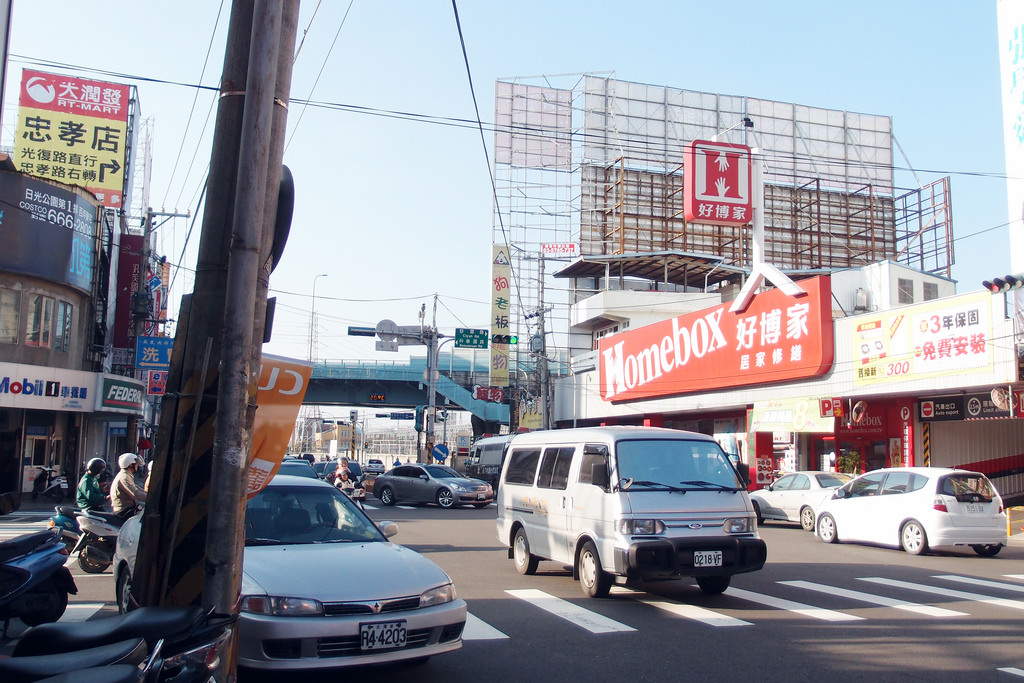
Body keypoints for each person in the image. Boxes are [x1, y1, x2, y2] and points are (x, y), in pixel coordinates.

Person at [111, 453, 147, 519]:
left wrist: (149, 494)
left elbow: (137, 488)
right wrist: (150, 498)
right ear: (131, 465)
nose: (137, 466)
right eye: (136, 464)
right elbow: (135, 493)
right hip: (123, 511)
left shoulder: (127, 475)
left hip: (128, 509)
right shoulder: (124, 477)